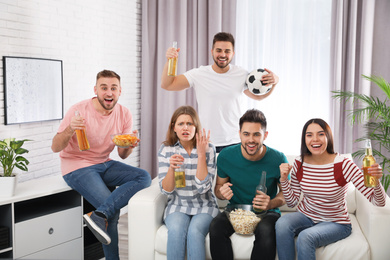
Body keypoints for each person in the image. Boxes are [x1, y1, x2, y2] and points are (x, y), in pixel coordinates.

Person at [51, 70, 151, 260]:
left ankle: (99, 214)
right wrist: (71, 128)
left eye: (113, 88)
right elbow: (55, 147)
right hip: (77, 166)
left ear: (120, 91)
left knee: (144, 176)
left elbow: (122, 155)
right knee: (112, 212)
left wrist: (129, 145)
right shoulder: (78, 110)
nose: (109, 92)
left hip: (104, 163)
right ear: (95, 90)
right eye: (104, 88)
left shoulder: (124, 113)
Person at [276, 118, 387, 260]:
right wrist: (284, 179)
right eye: (309, 135)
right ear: (304, 139)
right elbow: (291, 202)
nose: (315, 139)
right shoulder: (300, 162)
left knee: (305, 237)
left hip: (336, 223)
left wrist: (376, 182)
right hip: (307, 216)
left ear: (328, 136)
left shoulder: (343, 165)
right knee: (282, 223)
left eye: (321, 134)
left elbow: (379, 202)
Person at [161, 32, 279, 153]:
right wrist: (169, 60)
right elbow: (168, 85)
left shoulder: (241, 74)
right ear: (212, 51)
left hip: (235, 142)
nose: (223, 54)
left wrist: (274, 83)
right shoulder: (199, 74)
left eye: (227, 51)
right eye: (219, 50)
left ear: (233, 53)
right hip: (206, 141)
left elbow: (259, 97)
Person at [209, 108, 288, 260]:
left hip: (267, 213)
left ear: (265, 135)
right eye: (246, 134)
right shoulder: (226, 156)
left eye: (256, 134)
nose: (251, 140)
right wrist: (221, 192)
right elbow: (218, 188)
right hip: (236, 211)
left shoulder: (278, 158)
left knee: (266, 230)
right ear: (239, 134)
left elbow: (285, 194)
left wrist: (270, 203)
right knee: (216, 227)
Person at [157, 105, 219, 260]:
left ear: (196, 126)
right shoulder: (166, 149)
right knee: (176, 230)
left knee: (195, 231)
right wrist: (172, 168)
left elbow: (203, 187)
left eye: (190, 124)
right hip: (178, 205)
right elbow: (167, 191)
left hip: (205, 205)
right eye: (181, 124)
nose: (185, 128)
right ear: (174, 128)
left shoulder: (208, 149)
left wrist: (200, 155)